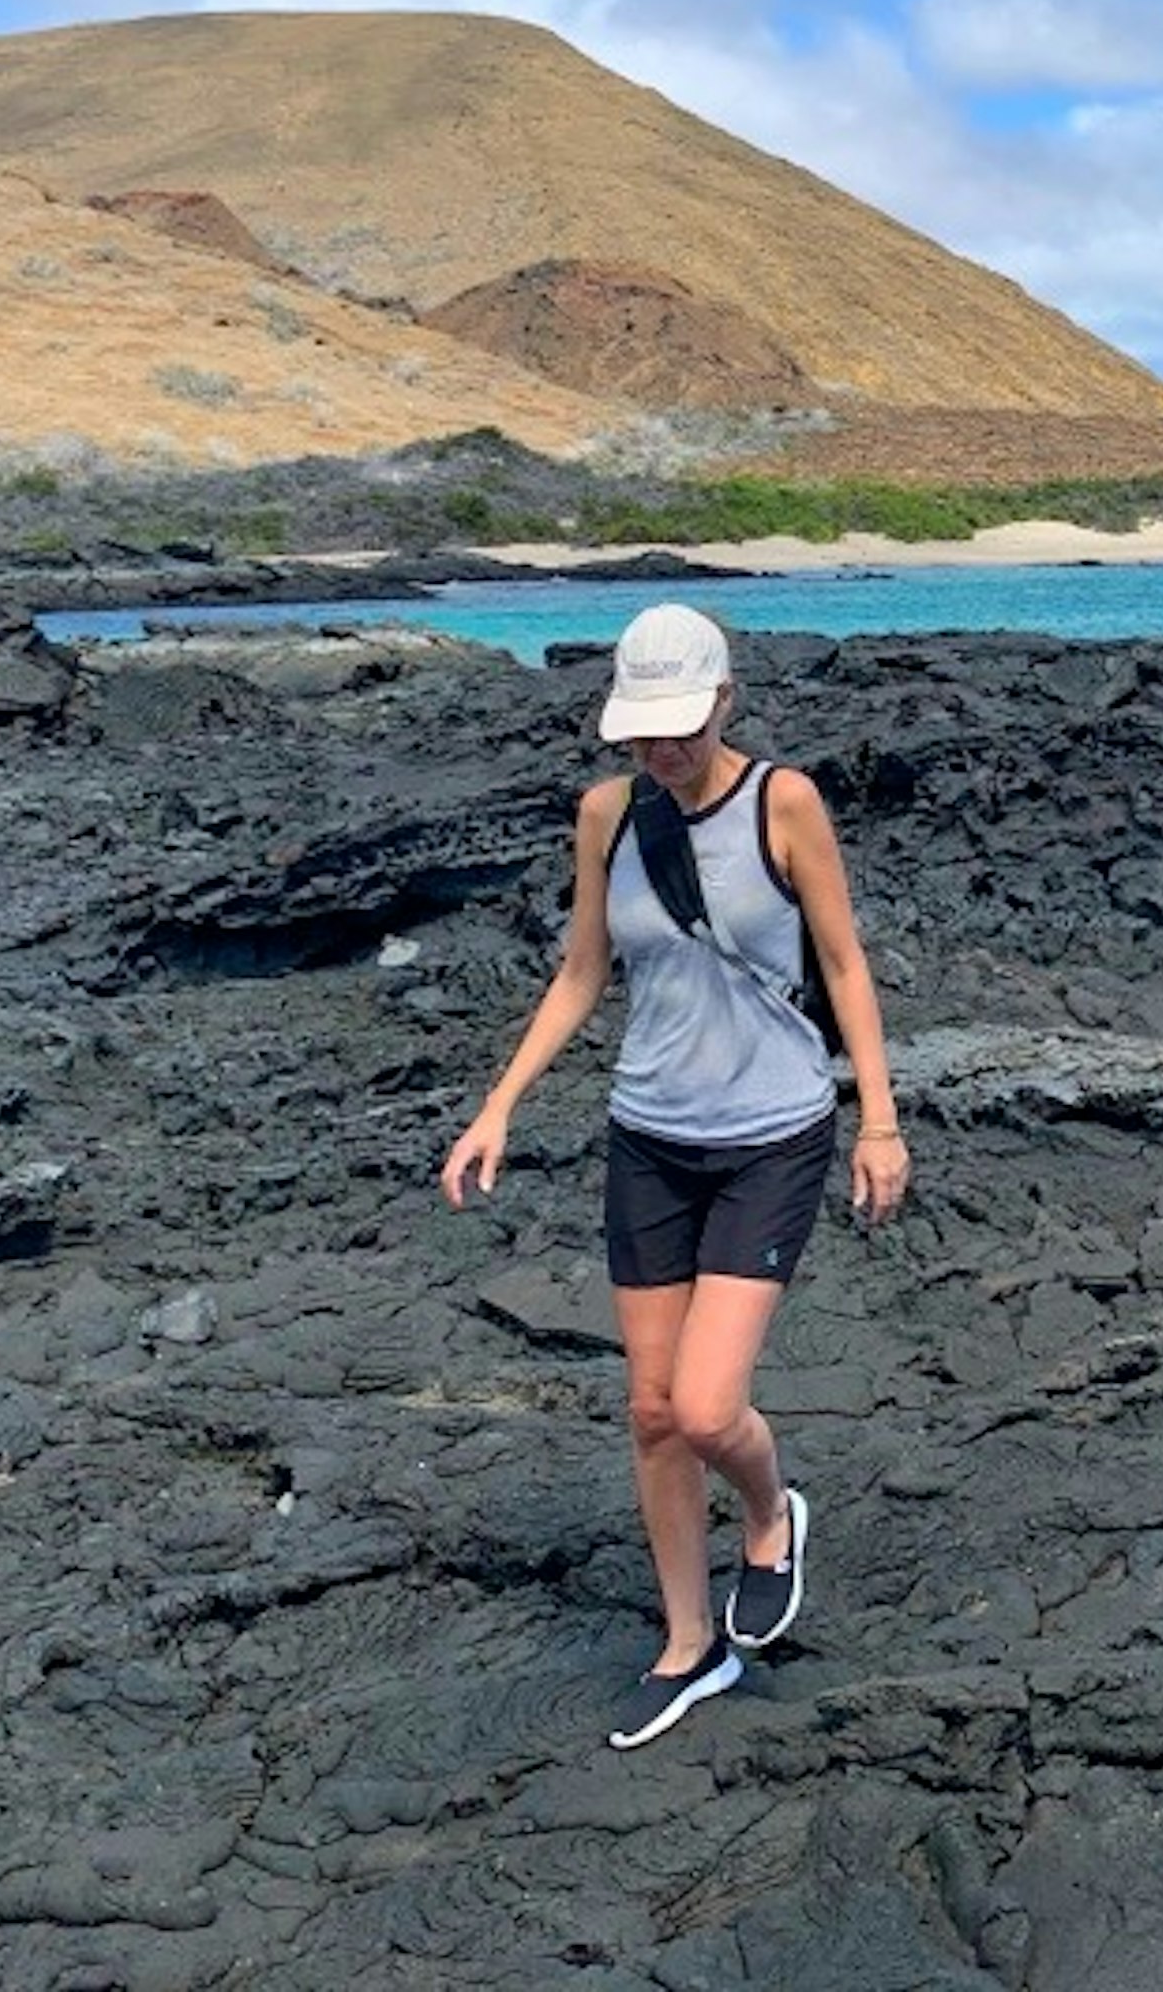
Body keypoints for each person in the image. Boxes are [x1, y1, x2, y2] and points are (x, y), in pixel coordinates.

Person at [438, 601, 908, 1749]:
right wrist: (498, 1106)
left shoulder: (783, 802)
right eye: (642, 732)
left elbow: (843, 963)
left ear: (724, 702)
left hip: (772, 1137)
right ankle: (689, 1644)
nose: (661, 751)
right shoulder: (605, 817)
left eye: (681, 729)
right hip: (648, 1135)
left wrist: (879, 1122)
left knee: (706, 1404)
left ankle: (768, 1519)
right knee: (651, 1412)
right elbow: (580, 972)